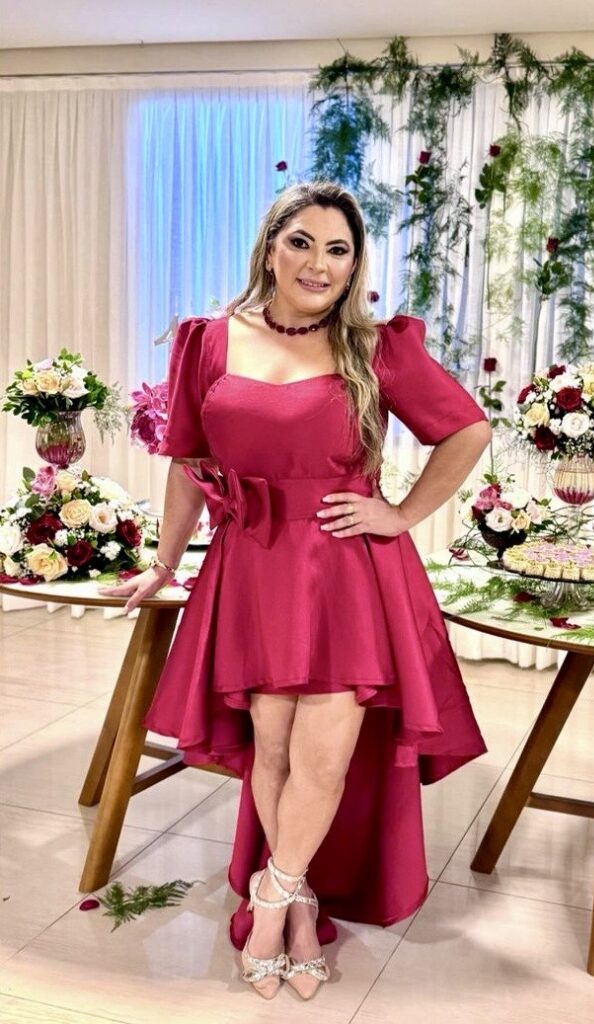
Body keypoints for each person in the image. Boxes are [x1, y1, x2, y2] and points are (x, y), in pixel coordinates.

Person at [98, 180, 492, 1001]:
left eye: (337, 250)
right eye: (301, 242)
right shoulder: (208, 340)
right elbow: (188, 464)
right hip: (251, 568)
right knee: (270, 751)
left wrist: (400, 514)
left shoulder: (375, 348)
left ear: (354, 265)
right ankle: (300, 902)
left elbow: (466, 429)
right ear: (271, 247)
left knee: (323, 757)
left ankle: (271, 901)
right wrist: (165, 563)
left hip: (345, 574)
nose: (318, 263)